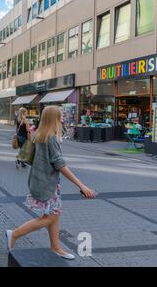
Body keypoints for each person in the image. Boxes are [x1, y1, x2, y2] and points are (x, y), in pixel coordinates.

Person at [5, 106, 96, 260]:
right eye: (60, 117)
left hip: (44, 181)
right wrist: (81, 185)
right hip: (48, 184)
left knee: (54, 215)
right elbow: (60, 164)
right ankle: (15, 234)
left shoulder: (40, 135)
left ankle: (55, 247)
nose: (62, 119)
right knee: (50, 218)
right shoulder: (51, 138)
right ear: (54, 118)